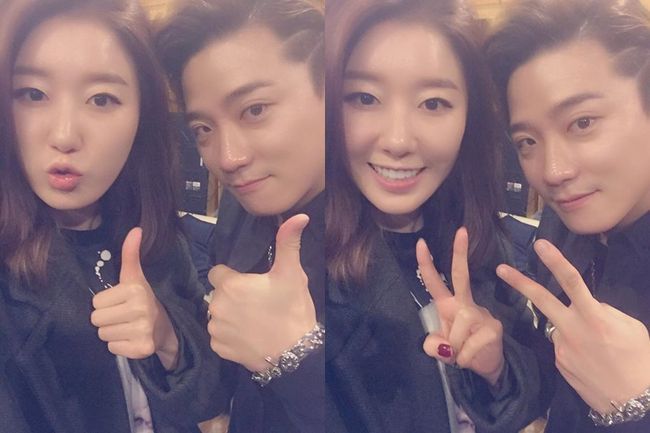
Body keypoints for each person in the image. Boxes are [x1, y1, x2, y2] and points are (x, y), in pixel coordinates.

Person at [0, 0, 228, 431]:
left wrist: (168, 338)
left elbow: (211, 395)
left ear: (143, 116)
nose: (64, 135)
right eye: (33, 94)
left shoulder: (151, 230)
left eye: (101, 99)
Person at [325, 0, 537, 432]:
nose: (399, 140)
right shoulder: (304, 260)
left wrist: (496, 368)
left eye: (434, 103)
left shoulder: (473, 229)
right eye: (364, 98)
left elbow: (529, 377)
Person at [155, 1, 325, 432]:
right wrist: (169, 339)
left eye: (255, 110)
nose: (228, 159)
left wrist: (296, 359)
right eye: (203, 130)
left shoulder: (395, 240)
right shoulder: (242, 207)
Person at [485, 0, 650, 431]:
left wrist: (637, 404)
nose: (553, 171)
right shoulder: (563, 228)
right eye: (527, 142)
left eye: (582, 123)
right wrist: (497, 364)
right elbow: (557, 380)